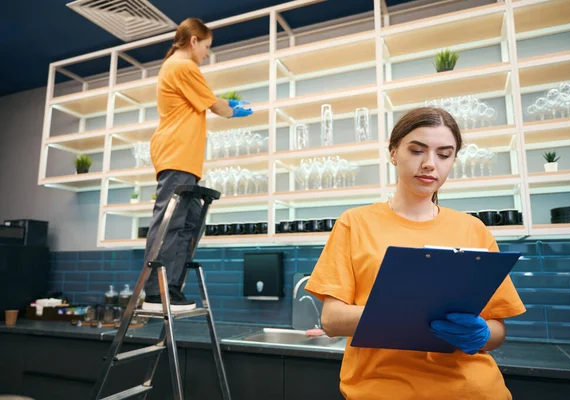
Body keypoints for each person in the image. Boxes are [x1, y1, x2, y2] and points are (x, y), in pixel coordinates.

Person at [305, 107, 526, 400]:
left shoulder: (474, 230)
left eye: (444, 155)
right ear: (394, 153)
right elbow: (332, 320)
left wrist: (481, 334)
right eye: (417, 150)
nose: (429, 164)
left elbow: (497, 329)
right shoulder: (355, 223)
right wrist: (414, 316)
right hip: (383, 391)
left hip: (475, 391)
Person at [142, 18, 253, 312]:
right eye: (206, 46)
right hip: (176, 153)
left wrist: (225, 104)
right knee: (171, 222)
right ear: (193, 41)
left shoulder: (177, 67)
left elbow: (206, 100)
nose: (207, 53)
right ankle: (157, 292)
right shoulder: (183, 66)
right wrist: (233, 110)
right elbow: (215, 106)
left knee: (189, 223)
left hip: (184, 157)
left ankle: (172, 287)